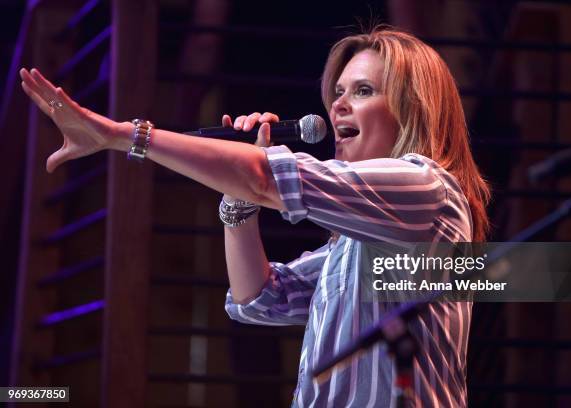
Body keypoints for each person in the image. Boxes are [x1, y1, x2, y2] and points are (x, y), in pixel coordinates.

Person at [20, 27, 489, 407]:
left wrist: (123, 135)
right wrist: (238, 198)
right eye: (338, 91)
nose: (338, 105)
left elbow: (268, 180)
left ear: (412, 110)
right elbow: (260, 297)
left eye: (363, 91)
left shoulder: (427, 189)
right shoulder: (351, 241)